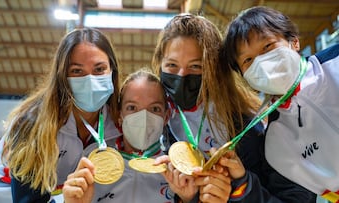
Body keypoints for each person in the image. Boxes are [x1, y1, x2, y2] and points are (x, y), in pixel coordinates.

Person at [152, 13, 316, 203]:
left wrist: (239, 189)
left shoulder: (252, 127)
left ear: (214, 70)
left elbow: (297, 198)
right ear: (160, 65)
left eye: (196, 66)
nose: (182, 76)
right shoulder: (162, 121)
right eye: (172, 65)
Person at [222, 5, 339, 202]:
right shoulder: (276, 145)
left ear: (294, 42)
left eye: (267, 47)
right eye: (248, 60)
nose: (261, 62)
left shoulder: (335, 64)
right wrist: (242, 184)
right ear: (244, 76)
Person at [0, 27, 121, 202]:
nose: (90, 81)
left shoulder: (123, 120)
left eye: (99, 69)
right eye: (77, 71)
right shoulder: (32, 125)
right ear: (62, 76)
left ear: (112, 71)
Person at [62, 68, 187, 203]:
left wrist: (190, 199)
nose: (143, 117)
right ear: (119, 116)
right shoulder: (91, 160)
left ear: (166, 117)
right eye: (132, 108)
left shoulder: (178, 171)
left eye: (154, 109)